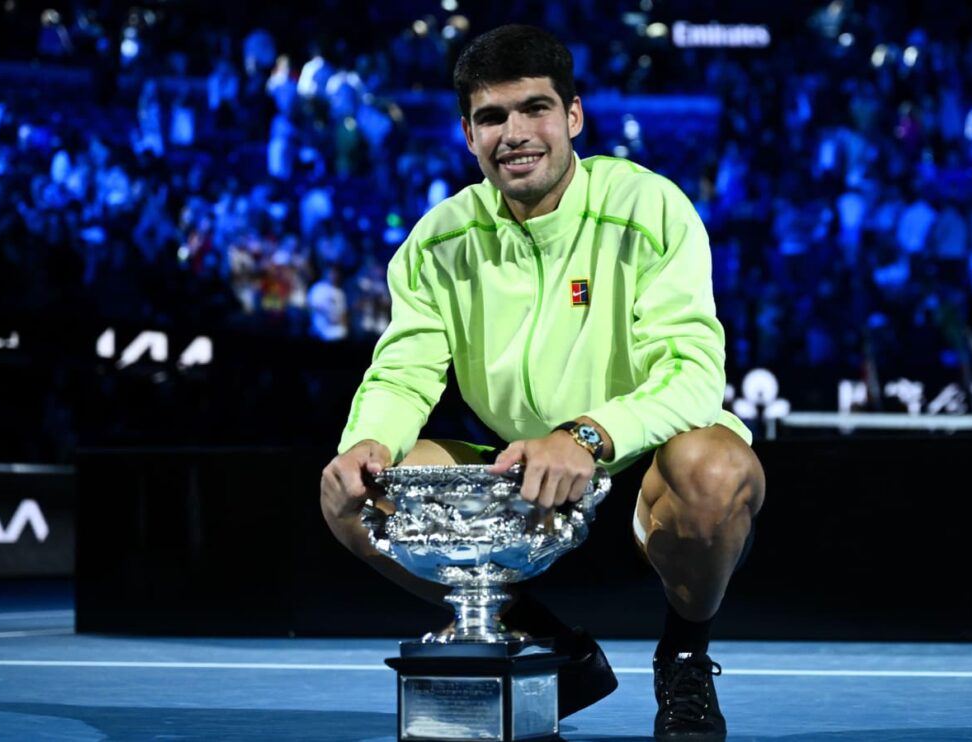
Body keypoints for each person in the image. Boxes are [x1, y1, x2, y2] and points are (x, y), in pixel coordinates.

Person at [318, 25, 764, 741]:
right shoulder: (439, 240)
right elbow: (402, 372)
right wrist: (367, 442)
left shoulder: (649, 207)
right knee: (353, 496)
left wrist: (584, 436)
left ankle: (684, 655)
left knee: (716, 467)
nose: (516, 133)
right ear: (469, 134)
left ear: (573, 116)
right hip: (520, 474)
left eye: (535, 109)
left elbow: (692, 373)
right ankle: (543, 648)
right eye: (493, 117)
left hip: (646, 461)